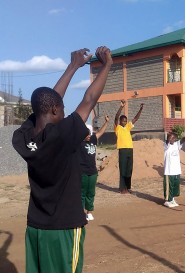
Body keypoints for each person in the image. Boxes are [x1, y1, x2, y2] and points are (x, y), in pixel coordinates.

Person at [12, 46, 112, 273]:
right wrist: (107, 66)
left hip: (36, 228)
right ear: (56, 110)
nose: (66, 113)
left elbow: (46, 105)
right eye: (63, 109)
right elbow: (89, 99)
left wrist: (73, 66)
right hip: (64, 228)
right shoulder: (62, 136)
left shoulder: (22, 138)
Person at [79, 114, 110, 221]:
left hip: (92, 172)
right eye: (85, 134)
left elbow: (100, 132)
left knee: (91, 193)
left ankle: (89, 212)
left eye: (89, 134)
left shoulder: (93, 139)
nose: (88, 135)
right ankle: (81, 212)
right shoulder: (78, 143)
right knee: (82, 193)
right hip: (82, 172)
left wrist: (106, 122)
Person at [114, 100, 144, 194]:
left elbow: (135, 119)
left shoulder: (128, 127)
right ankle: (122, 188)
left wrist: (141, 109)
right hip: (122, 150)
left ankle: (128, 187)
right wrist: (121, 107)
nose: (125, 122)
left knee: (129, 170)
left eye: (126, 121)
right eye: (123, 121)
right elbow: (116, 117)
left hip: (130, 150)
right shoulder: (117, 128)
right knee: (122, 169)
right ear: (120, 121)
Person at [163, 130, 185, 208]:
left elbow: (182, 140)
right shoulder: (166, 145)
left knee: (175, 186)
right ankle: (167, 200)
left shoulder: (176, 144)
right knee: (169, 186)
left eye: (174, 138)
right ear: (168, 139)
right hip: (169, 171)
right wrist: (168, 137)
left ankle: (172, 199)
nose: (173, 139)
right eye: (171, 138)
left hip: (176, 170)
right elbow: (167, 142)